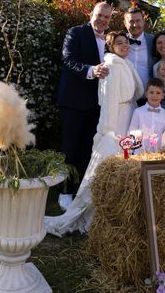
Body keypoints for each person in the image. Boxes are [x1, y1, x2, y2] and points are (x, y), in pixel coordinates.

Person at [46, 31, 143, 236]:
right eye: (119, 43)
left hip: (127, 119)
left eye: (126, 42)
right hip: (115, 125)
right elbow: (108, 102)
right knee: (105, 168)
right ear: (111, 47)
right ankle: (93, 216)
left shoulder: (126, 64)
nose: (125, 45)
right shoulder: (112, 67)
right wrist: (107, 133)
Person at [56, 2, 112, 211]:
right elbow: (67, 60)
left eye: (107, 17)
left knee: (89, 149)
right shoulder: (76, 33)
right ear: (91, 14)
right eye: (100, 15)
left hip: (98, 104)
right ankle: (64, 191)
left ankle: (81, 190)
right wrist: (91, 71)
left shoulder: (109, 39)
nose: (103, 20)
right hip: (73, 101)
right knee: (69, 148)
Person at [128, 78, 165, 154]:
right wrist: (133, 150)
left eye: (158, 93)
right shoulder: (138, 112)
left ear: (163, 96)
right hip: (140, 153)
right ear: (146, 94)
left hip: (158, 153)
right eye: (151, 92)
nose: (154, 96)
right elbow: (132, 131)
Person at [124, 6, 154, 91]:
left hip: (149, 98)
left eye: (138, 21)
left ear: (143, 21)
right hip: (125, 99)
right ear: (125, 23)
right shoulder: (118, 42)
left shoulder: (154, 41)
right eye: (131, 21)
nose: (135, 25)